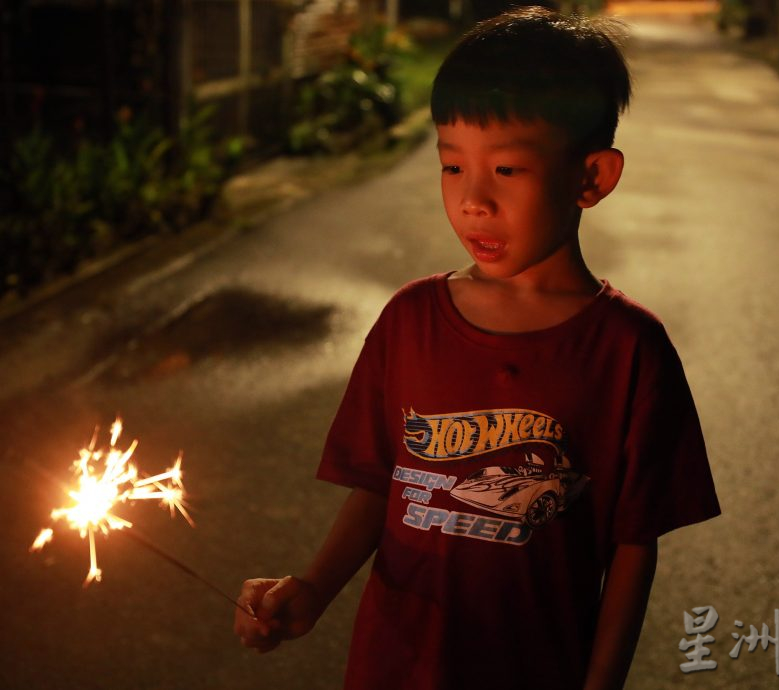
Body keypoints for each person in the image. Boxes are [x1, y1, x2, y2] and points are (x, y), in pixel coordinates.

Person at [234, 7, 720, 689]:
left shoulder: (629, 352)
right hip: (395, 665)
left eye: (508, 171)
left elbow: (633, 548)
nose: (472, 201)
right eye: (452, 165)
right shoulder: (409, 321)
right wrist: (314, 586)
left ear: (593, 177)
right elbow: (383, 483)